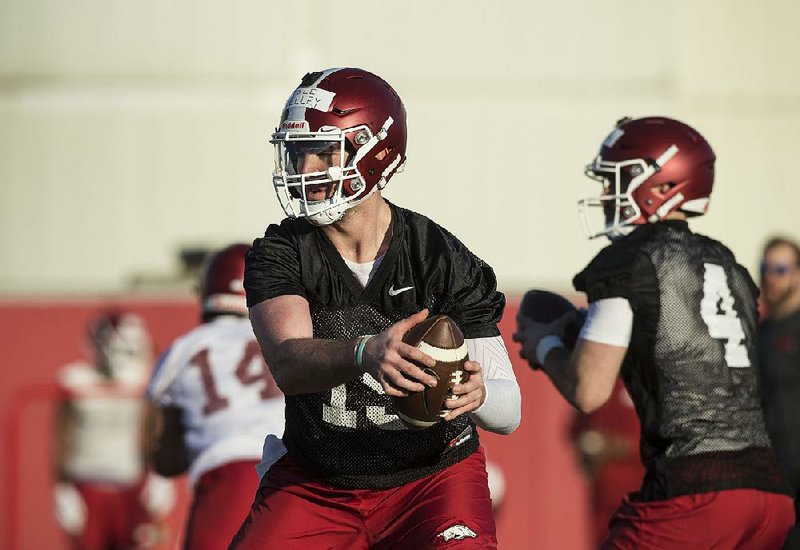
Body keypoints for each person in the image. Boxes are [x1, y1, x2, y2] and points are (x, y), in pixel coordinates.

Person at [234, 67, 521, 549]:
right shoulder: (282, 251)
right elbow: (289, 362)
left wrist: (476, 394)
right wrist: (367, 352)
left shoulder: (438, 256)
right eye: (299, 151)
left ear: (376, 153)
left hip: (431, 477)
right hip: (319, 480)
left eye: (323, 151)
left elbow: (509, 411)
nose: (305, 169)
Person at [514, 116, 794, 549]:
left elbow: (589, 389)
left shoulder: (630, 262)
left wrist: (546, 343)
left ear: (664, 188)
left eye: (619, 180)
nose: (608, 194)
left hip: (694, 491)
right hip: (770, 496)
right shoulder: (730, 266)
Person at [145, 243, 285, 550]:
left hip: (226, 479)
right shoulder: (286, 338)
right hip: (292, 477)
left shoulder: (184, 349)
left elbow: (165, 457)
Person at [54, 310, 175, 549]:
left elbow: (152, 430)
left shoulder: (144, 381)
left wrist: (159, 476)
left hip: (130, 485)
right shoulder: (75, 380)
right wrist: (62, 486)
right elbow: (62, 436)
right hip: (87, 484)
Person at [758, 236, 800, 549]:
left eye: (780, 269)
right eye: (766, 268)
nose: (771, 277)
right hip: (771, 472)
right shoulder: (759, 332)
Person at [570, 378, 643, 546]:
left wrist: (619, 447)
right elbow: (577, 430)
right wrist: (589, 447)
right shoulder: (600, 377)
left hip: (648, 502)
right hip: (607, 505)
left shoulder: (658, 376)